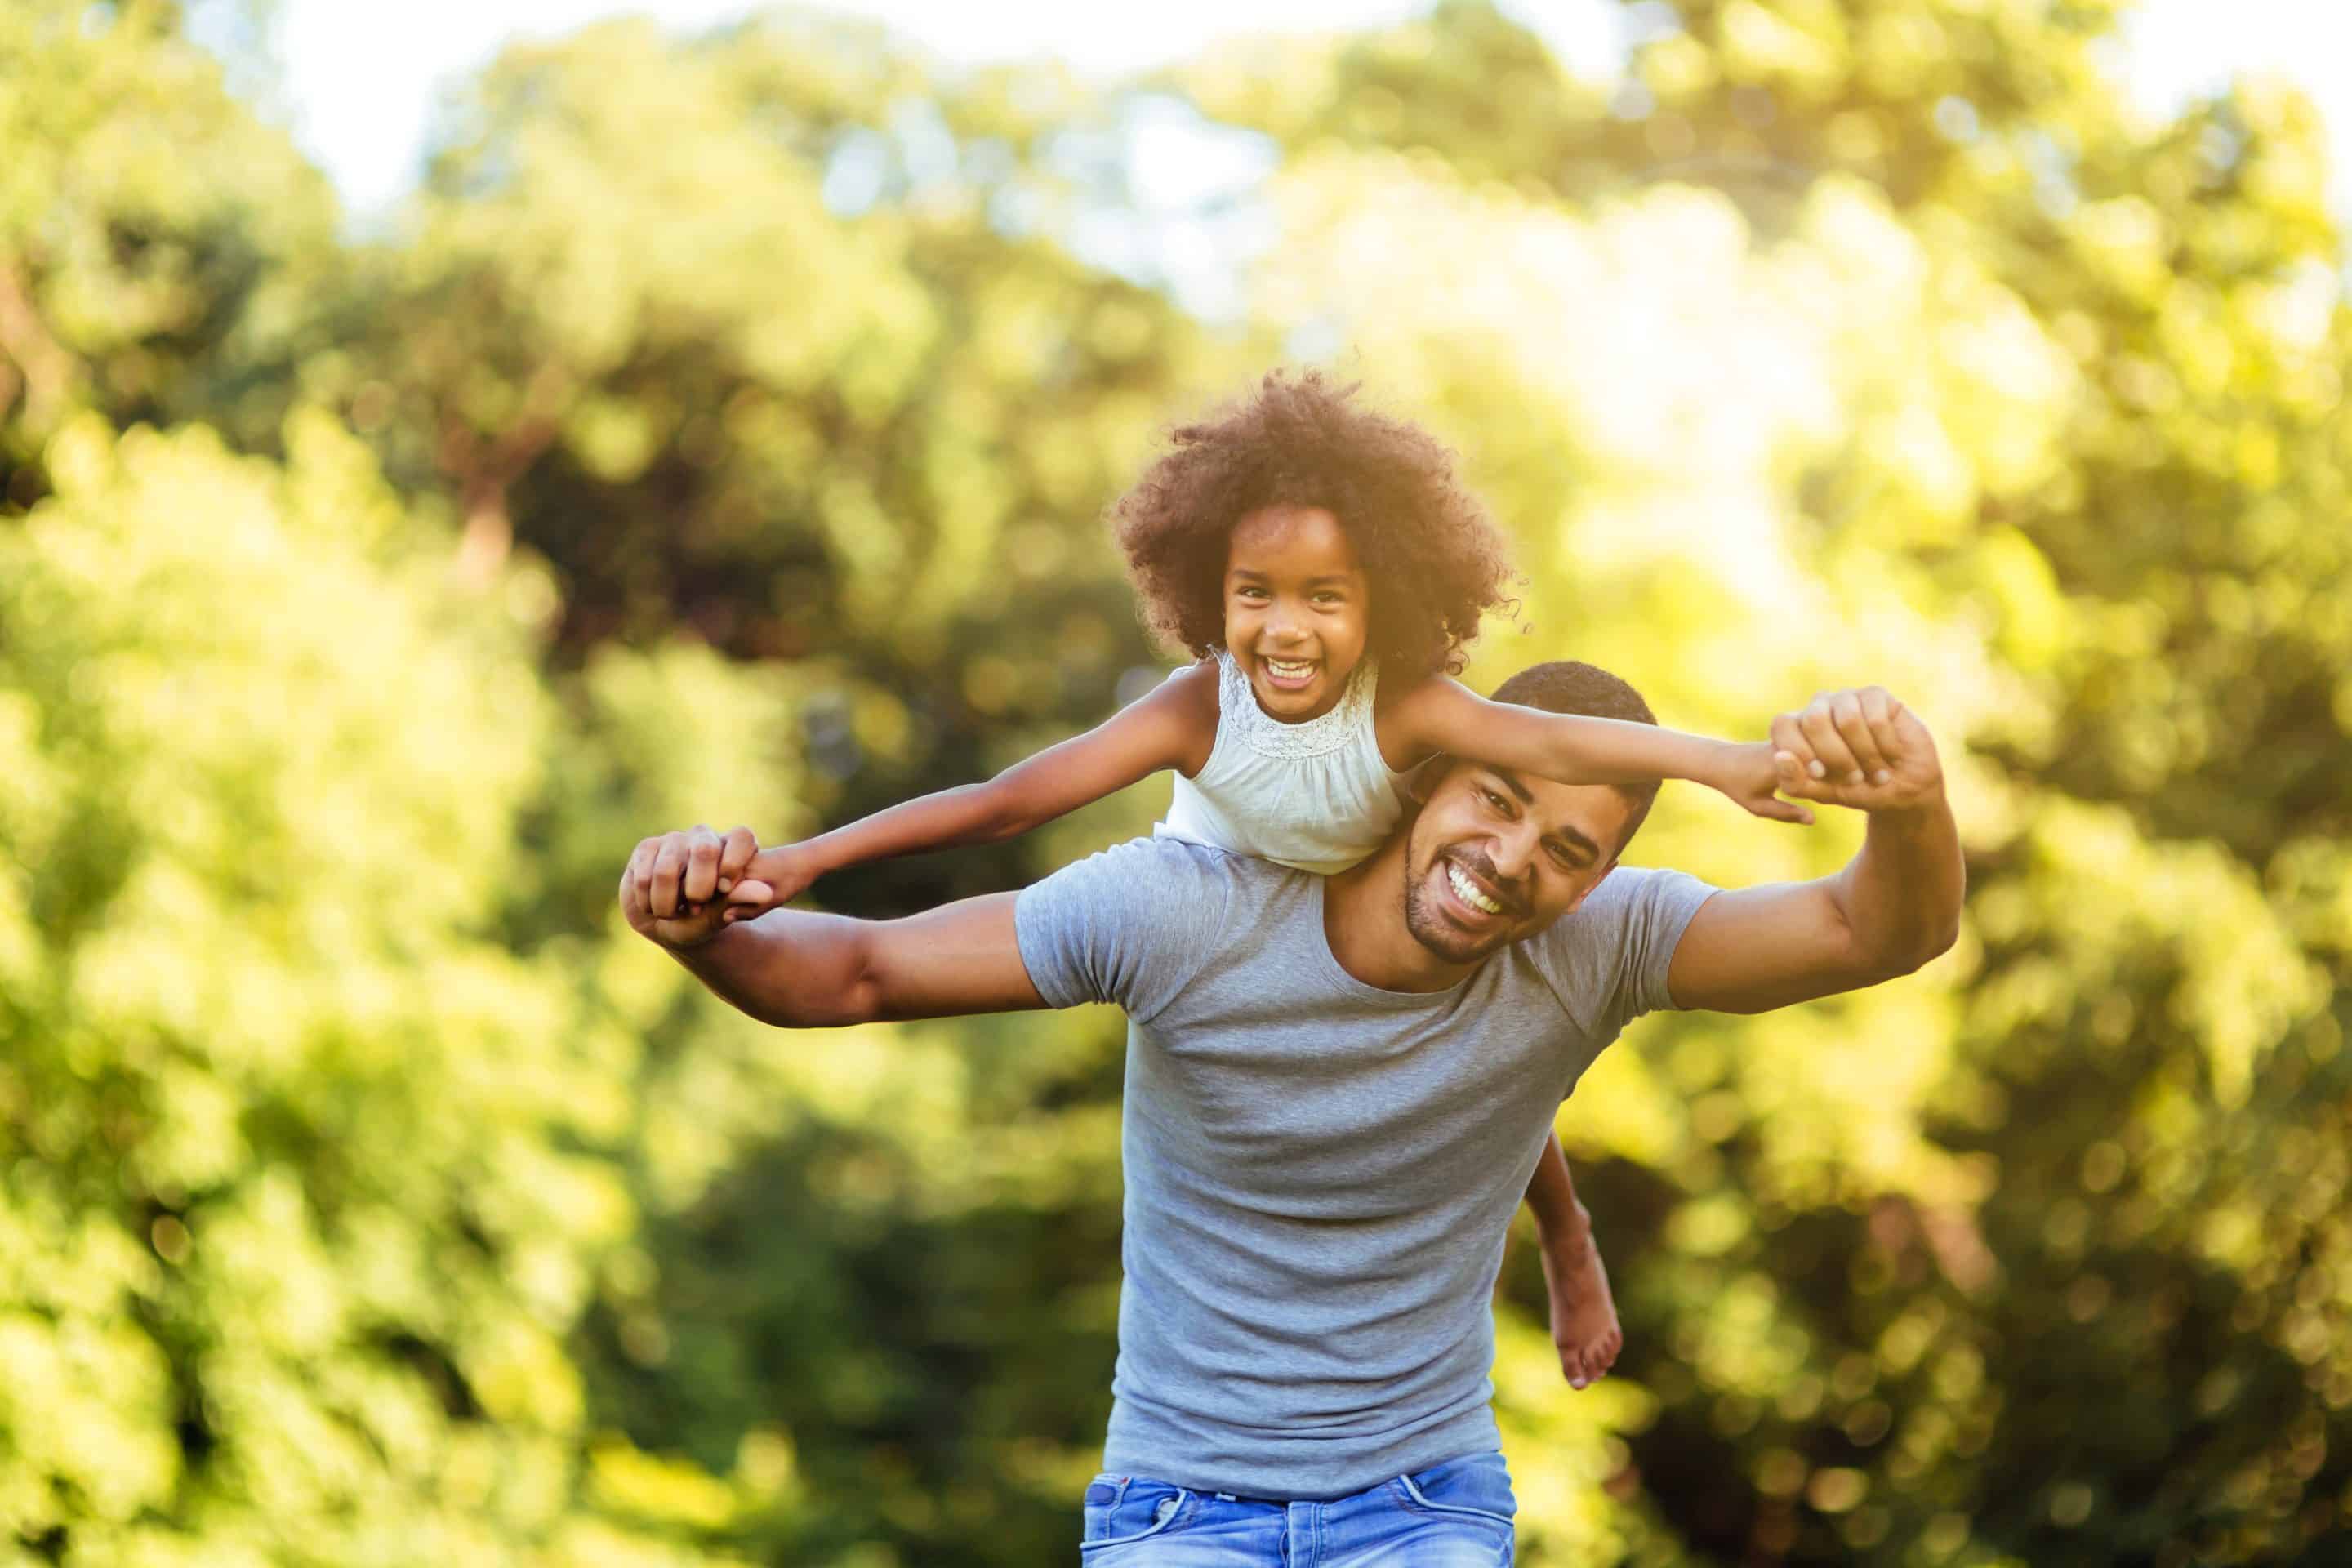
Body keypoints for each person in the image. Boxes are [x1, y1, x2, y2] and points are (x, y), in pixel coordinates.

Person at [621, 662, 1963, 1563]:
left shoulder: (1604, 946)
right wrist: (696, 926)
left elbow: (1871, 932)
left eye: (1570, 852)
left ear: (1605, 875)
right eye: (1497, 804)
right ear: (1425, 777)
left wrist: (1909, 806)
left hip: (1423, 1506)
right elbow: (846, 971)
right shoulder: (1183, 909)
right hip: (1177, 1507)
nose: (1510, 865)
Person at [716, 370, 1815, 1388]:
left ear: (1381, 601)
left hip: (1371, 886)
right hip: (1231, 890)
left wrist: (1727, 766)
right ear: (1210, 589)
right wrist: (804, 859)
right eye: (1255, 593)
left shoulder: (1412, 713)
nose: (1286, 629)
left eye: (1325, 597)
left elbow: (1569, 746)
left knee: (1491, 1050)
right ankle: (1564, 1238)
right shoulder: (1200, 706)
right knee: (1477, 1043)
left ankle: (1567, 1238)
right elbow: (1008, 801)